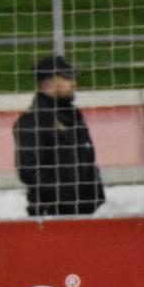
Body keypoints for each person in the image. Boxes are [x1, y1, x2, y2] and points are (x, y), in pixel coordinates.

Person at [13, 55, 105, 217]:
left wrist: (95, 195)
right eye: (67, 78)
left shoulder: (74, 116)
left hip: (84, 212)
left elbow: (87, 159)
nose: (74, 83)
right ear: (49, 82)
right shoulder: (32, 120)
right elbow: (28, 170)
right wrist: (65, 199)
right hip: (51, 215)